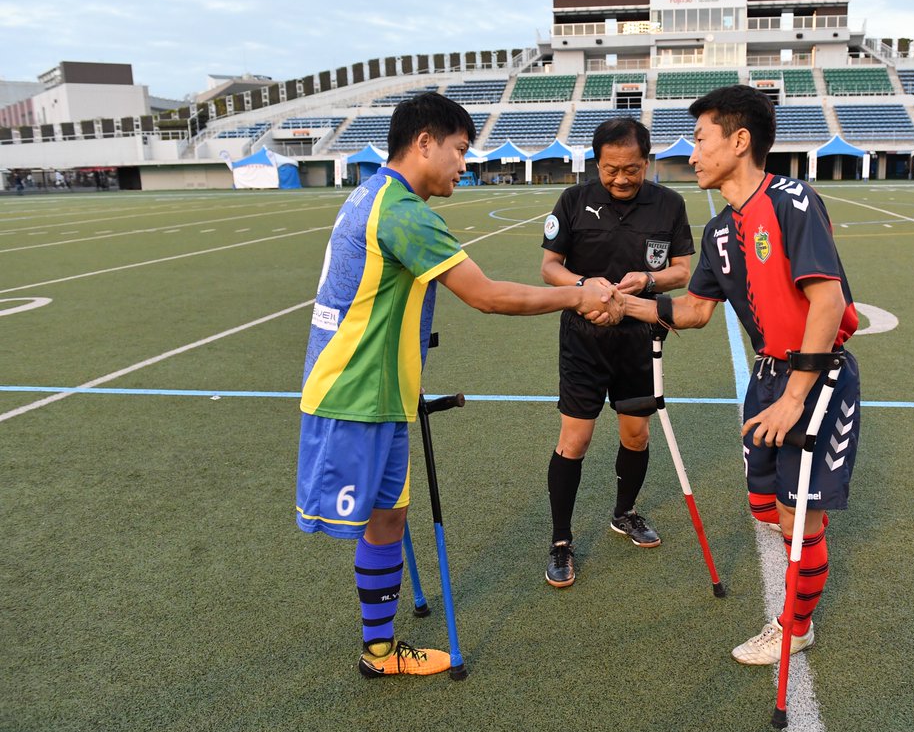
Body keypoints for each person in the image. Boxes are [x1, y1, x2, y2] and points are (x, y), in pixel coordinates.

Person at [296, 92, 622, 679]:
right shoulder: (403, 212)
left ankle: (380, 652)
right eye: (459, 150)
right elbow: (488, 296)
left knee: (390, 518)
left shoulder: (374, 193)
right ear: (424, 143)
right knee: (379, 519)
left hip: (378, 389)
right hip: (357, 392)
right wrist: (579, 294)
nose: (463, 164)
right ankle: (378, 652)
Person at [622, 85, 861, 664]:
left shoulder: (792, 201)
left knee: (795, 514)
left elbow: (827, 304)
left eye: (701, 139)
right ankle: (792, 560)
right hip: (767, 375)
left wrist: (795, 397)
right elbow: (698, 311)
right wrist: (624, 303)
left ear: (740, 140)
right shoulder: (719, 229)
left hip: (816, 376)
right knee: (762, 501)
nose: (692, 152)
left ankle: (795, 625)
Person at [539, 117, 694, 588]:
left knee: (635, 436)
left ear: (646, 162)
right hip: (583, 339)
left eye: (631, 169)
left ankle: (624, 512)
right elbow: (550, 267)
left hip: (639, 340)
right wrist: (587, 287)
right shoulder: (573, 200)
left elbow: (682, 270)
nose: (621, 178)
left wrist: (646, 281)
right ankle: (561, 540)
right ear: (596, 163)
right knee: (575, 440)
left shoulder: (669, 204)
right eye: (610, 169)